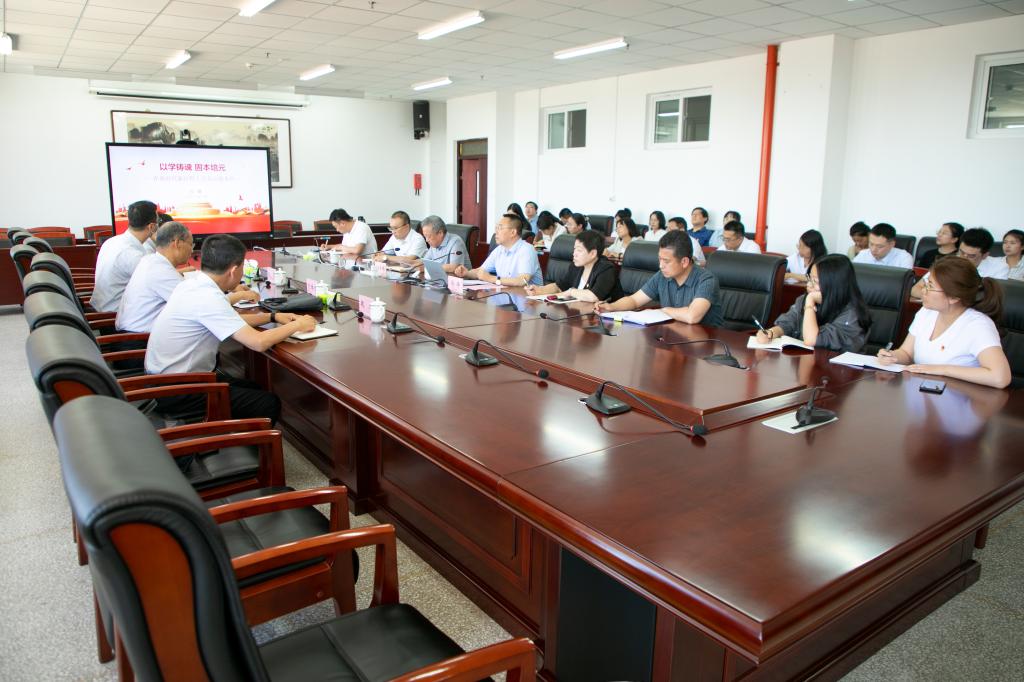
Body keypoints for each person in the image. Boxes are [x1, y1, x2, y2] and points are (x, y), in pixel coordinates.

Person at [145, 234, 318, 423]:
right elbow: (259, 342)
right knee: (268, 403)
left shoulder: (193, 284)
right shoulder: (208, 297)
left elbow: (229, 320)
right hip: (178, 390)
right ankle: (233, 437)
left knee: (253, 388)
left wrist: (272, 316)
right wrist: (297, 325)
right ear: (234, 270)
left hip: (163, 380)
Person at [878, 256, 1011, 389]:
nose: (923, 290)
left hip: (959, 397)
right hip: (922, 391)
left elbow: (1000, 378)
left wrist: (941, 369)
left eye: (930, 286)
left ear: (954, 297)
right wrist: (893, 356)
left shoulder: (978, 325)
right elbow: (907, 353)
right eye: (925, 284)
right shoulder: (926, 312)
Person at [118, 222, 257, 334]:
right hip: (138, 340)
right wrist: (239, 295)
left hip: (137, 333)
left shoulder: (152, 261)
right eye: (191, 244)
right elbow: (204, 304)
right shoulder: (160, 271)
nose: (192, 250)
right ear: (177, 243)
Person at [594, 230, 724, 326]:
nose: (661, 265)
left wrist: (664, 310)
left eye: (666, 261)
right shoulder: (662, 276)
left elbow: (692, 316)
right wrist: (611, 307)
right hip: (673, 336)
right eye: (659, 259)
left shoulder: (706, 280)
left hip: (706, 342)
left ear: (684, 262)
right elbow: (634, 300)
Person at [757, 255, 870, 352]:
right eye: (809, 278)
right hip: (809, 363)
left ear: (834, 285)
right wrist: (771, 333)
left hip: (841, 369)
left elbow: (812, 340)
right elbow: (788, 323)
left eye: (815, 281)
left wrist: (810, 304)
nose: (808, 284)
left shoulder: (852, 314)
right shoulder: (805, 299)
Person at [92, 200, 160, 312]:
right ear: (152, 227)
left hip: (102, 306)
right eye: (158, 222)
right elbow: (157, 284)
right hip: (114, 314)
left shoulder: (112, 241)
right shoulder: (133, 255)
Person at [525, 230, 623, 303]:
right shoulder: (577, 266)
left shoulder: (606, 269)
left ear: (593, 253)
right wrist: (539, 290)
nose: (574, 254)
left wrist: (571, 292)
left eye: (579, 250)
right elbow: (560, 286)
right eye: (574, 249)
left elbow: (594, 296)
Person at [453, 213, 543, 286]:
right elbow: (481, 271)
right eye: (496, 228)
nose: (496, 232)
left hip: (529, 300)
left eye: (500, 228)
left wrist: (491, 278)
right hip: (507, 296)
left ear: (513, 232)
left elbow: (522, 281)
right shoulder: (499, 250)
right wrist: (467, 273)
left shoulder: (526, 250)